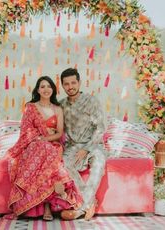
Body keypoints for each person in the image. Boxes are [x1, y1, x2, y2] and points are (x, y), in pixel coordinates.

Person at [5, 76, 82, 220]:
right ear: (38, 90)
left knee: (48, 151)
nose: (46, 89)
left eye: (49, 86)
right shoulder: (31, 107)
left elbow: (59, 133)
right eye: (42, 86)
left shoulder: (57, 109)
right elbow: (26, 131)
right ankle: (43, 206)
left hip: (52, 145)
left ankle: (48, 206)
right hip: (34, 145)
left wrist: (44, 138)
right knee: (42, 150)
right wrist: (38, 138)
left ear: (53, 89)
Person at [59, 68, 106, 220]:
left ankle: (81, 208)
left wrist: (86, 149)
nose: (70, 86)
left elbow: (100, 128)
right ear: (62, 86)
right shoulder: (61, 106)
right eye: (66, 84)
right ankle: (90, 202)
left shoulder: (91, 101)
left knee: (99, 161)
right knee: (63, 164)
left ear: (79, 82)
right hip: (72, 146)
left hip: (93, 144)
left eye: (73, 82)